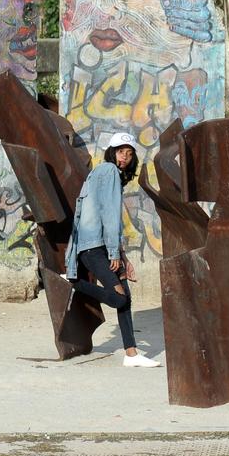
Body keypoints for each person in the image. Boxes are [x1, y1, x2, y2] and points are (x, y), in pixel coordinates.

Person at [65, 131, 160, 367]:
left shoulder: (99, 174)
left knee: (125, 299)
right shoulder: (108, 171)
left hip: (98, 245)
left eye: (129, 154)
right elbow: (109, 215)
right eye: (120, 152)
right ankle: (73, 282)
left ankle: (131, 354)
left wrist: (123, 256)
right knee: (119, 299)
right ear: (111, 152)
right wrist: (114, 253)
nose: (125, 157)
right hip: (96, 248)